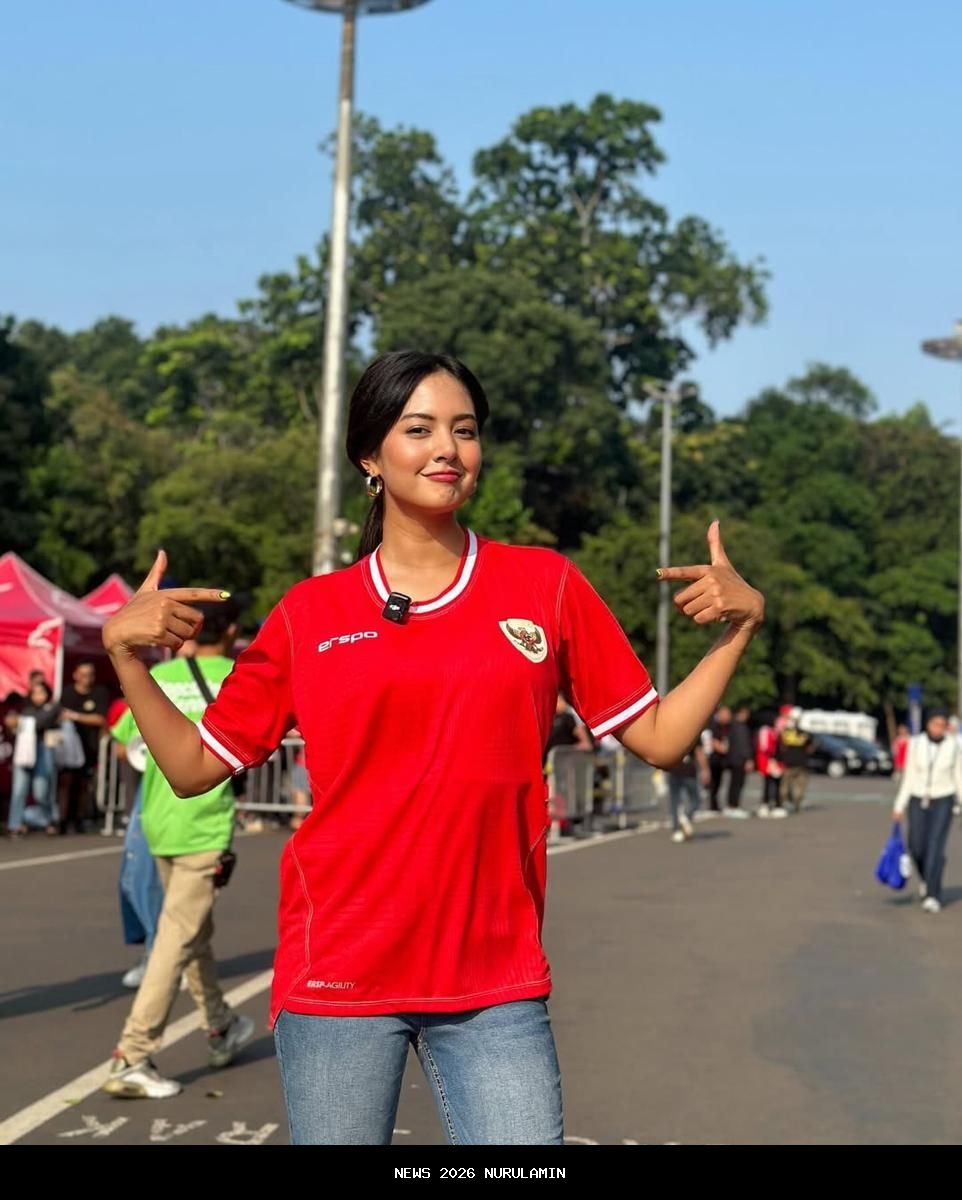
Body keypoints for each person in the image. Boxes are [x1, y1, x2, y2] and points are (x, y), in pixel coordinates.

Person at [101, 350, 765, 1144]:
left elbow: (658, 737)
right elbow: (190, 766)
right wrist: (125, 659)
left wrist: (738, 630)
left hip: (494, 983)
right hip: (338, 976)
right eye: (419, 430)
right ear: (370, 456)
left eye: (465, 430)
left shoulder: (545, 585)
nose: (448, 448)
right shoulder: (310, 613)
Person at [102, 597, 254, 1098]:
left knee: (192, 933)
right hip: (204, 826)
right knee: (175, 939)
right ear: (231, 631)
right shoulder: (239, 675)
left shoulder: (160, 676)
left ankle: (220, 1023)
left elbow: (126, 742)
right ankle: (134, 1054)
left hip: (159, 822)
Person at [893, 707, 962, 914]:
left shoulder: (954, 746)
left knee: (935, 846)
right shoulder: (915, 744)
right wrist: (899, 805)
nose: (939, 728)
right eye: (935, 724)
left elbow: (959, 775)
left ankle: (933, 894)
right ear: (928, 724)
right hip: (918, 798)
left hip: (944, 798)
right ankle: (927, 877)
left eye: (942, 725)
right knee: (916, 846)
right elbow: (909, 776)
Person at [58, 661, 110, 833]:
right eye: (83, 674)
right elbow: (60, 716)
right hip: (69, 748)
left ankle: (80, 820)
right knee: (66, 782)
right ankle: (63, 820)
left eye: (90, 674)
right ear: (75, 675)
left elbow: (101, 719)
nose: (87, 678)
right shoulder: (67, 693)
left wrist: (75, 716)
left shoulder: (99, 693)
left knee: (84, 784)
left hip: (90, 746)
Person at [6, 680, 62, 836]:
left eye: (41, 692)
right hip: (24, 750)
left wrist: (20, 721)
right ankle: (15, 824)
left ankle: (49, 819)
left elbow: (42, 721)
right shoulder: (25, 708)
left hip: (43, 750)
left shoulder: (53, 707)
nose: (38, 696)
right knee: (19, 789)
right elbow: (11, 723)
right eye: (35, 693)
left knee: (41, 791)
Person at [667, 743, 709, 843]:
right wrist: (705, 769)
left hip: (674, 769)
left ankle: (677, 829)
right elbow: (699, 752)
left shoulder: (671, 735)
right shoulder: (693, 734)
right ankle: (685, 817)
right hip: (688, 771)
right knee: (696, 800)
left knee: (675, 801)